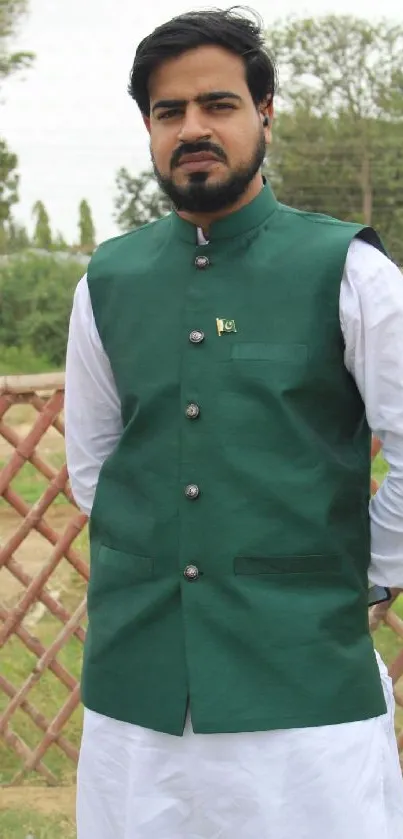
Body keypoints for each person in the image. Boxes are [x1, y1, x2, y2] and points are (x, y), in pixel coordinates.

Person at [65, 8, 403, 838]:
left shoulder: (351, 272)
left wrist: (365, 572)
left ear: (265, 112)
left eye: (217, 104)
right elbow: (91, 467)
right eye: (168, 112)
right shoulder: (105, 281)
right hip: (134, 697)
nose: (193, 129)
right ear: (147, 126)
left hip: (305, 699)